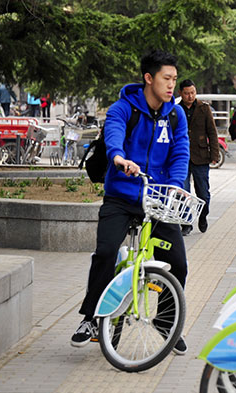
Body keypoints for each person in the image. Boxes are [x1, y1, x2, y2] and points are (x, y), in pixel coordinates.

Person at [70, 50, 191, 355]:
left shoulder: (176, 115)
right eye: (167, 78)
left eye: (174, 79)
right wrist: (119, 157)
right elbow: (113, 134)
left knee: (178, 263)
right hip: (121, 197)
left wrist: (175, 187)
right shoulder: (124, 108)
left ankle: (167, 322)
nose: (171, 86)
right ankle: (90, 317)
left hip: (158, 199)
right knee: (107, 251)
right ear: (149, 78)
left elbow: (180, 154)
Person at [178, 79, 219, 235]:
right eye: (187, 93)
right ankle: (186, 222)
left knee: (203, 193)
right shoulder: (176, 109)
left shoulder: (204, 108)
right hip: (181, 157)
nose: (190, 96)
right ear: (181, 93)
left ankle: (203, 215)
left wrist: (214, 154)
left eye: (193, 93)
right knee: (182, 192)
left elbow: (212, 133)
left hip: (201, 156)